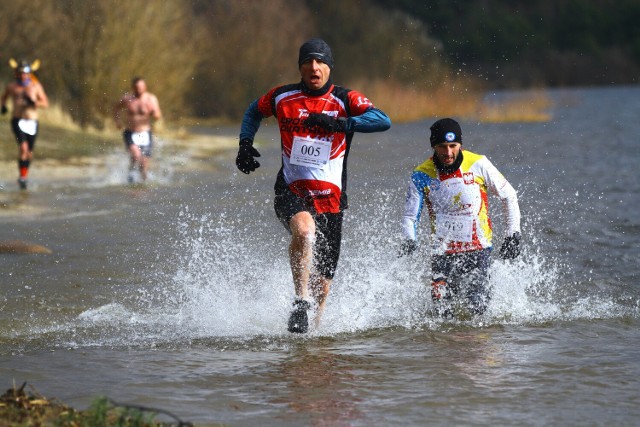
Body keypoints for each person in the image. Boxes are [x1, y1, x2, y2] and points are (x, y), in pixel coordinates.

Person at [236, 38, 391, 333]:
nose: (314, 67)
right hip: (291, 191)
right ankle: (299, 301)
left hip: (332, 199)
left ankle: (312, 338)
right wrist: (244, 144)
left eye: (320, 62)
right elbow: (253, 112)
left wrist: (341, 124)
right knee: (305, 232)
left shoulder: (345, 100)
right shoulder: (282, 97)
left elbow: (383, 120)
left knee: (324, 284)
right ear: (300, 67)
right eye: (308, 62)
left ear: (329, 67)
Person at [399, 118, 521, 318]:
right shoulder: (421, 175)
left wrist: (513, 234)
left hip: (478, 251)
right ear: (433, 146)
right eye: (442, 147)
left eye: (453, 146)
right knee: (442, 316)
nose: (448, 153)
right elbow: (410, 217)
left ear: (460, 145)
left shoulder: (479, 163)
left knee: (478, 312)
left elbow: (509, 195)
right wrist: (409, 239)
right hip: (442, 254)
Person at [1, 59, 49, 190]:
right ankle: (22, 178)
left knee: (29, 153)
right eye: (20, 73)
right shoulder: (12, 86)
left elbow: (45, 103)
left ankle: (24, 176)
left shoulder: (35, 86)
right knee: (23, 148)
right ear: (17, 73)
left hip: (32, 122)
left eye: (25, 73)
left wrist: (35, 103)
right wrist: (3, 106)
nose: (23, 75)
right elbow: (3, 97)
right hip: (17, 120)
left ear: (29, 74)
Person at [112, 77, 162, 183]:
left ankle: (143, 183)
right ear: (133, 88)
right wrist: (117, 121)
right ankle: (130, 178)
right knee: (135, 155)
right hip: (130, 132)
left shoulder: (151, 99)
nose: (139, 89)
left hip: (145, 133)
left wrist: (153, 111)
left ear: (145, 87)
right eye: (136, 87)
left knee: (143, 163)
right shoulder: (127, 99)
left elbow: (158, 115)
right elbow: (116, 107)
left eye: (141, 87)